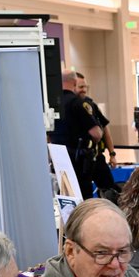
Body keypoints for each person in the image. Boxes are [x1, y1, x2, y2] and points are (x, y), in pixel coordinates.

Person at [48, 70, 111, 199]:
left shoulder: (52, 104)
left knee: (66, 195)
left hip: (59, 159)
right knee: (84, 196)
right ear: (75, 82)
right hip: (79, 160)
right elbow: (96, 133)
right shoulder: (78, 103)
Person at [77, 75, 119, 200]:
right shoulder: (71, 107)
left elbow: (105, 130)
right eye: (80, 87)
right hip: (80, 160)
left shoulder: (91, 105)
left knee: (110, 191)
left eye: (85, 86)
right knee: (85, 195)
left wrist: (112, 154)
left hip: (96, 157)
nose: (84, 90)